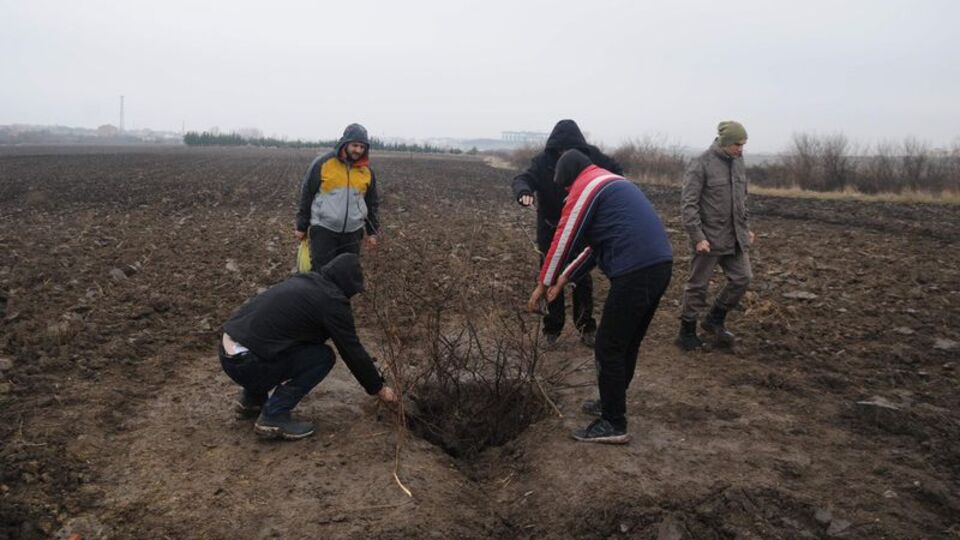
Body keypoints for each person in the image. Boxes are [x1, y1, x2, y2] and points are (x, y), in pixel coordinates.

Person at [528, 150, 672, 444]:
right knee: (626, 343)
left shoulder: (587, 186)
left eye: (565, 186)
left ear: (569, 177)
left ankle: (613, 422)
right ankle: (611, 402)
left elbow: (564, 237)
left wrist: (543, 284)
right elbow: (593, 247)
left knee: (608, 346)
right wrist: (563, 278)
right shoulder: (611, 182)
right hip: (659, 266)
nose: (566, 193)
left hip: (636, 271)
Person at [218, 253, 397, 440]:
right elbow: (352, 351)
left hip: (227, 353)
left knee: (279, 340)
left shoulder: (306, 281)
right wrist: (379, 388)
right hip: (247, 364)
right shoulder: (332, 302)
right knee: (322, 357)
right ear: (347, 284)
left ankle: (251, 402)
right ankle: (274, 416)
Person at [511, 119, 624, 347]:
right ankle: (552, 329)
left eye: (569, 149)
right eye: (560, 150)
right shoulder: (542, 162)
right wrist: (524, 192)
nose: (564, 154)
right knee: (550, 275)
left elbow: (617, 174)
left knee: (581, 277)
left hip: (583, 225)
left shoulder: (593, 156)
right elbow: (523, 179)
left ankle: (586, 327)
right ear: (553, 148)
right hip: (550, 227)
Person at [676, 121, 755, 351]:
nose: (741, 149)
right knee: (697, 286)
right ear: (724, 143)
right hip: (708, 239)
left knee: (743, 278)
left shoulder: (739, 163)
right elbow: (688, 205)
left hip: (735, 237)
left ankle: (714, 319)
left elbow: (742, 199)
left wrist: (746, 227)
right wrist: (698, 236)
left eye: (743, 145)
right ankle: (687, 332)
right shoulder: (701, 164)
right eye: (737, 144)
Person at [296, 123, 380, 270]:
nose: (358, 150)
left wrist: (372, 232)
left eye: (362, 147)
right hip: (324, 230)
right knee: (322, 274)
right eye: (355, 145)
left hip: (353, 233)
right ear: (345, 143)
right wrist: (301, 226)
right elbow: (307, 193)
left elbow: (371, 202)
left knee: (345, 274)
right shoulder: (323, 163)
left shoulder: (366, 171)